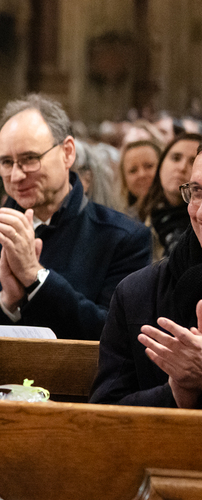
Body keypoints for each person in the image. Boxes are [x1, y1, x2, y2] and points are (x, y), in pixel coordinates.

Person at [0, 93, 151, 341]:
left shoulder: (123, 238)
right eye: (6, 162)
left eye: (30, 159)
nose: (16, 176)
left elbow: (117, 336)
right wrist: (6, 302)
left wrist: (36, 278)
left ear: (67, 152)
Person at [90, 145, 202, 408]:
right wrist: (177, 392)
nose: (199, 213)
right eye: (197, 192)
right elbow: (104, 413)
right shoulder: (137, 293)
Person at [138, 133, 200, 260]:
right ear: (161, 165)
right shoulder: (141, 217)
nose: (182, 168)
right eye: (176, 158)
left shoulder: (198, 225)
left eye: (192, 162)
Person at [119, 138, 161, 217]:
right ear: (124, 179)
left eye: (149, 166)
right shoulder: (122, 219)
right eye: (133, 171)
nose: (142, 174)